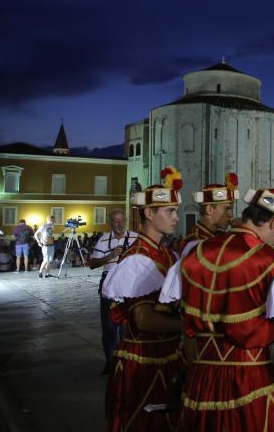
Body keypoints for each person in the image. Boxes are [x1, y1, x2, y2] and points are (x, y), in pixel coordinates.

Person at [179, 186, 274, 431]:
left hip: (202, 378)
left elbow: (186, 322)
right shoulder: (266, 258)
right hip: (248, 377)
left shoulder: (197, 250)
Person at [101, 166, 185, 432]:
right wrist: (190, 324)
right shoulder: (138, 258)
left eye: (176, 211)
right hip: (144, 361)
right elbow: (144, 319)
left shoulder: (167, 255)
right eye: (169, 211)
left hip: (169, 355)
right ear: (149, 213)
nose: (176, 218)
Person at [158, 173, 240, 306]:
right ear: (209, 209)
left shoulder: (215, 236)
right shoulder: (197, 243)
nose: (231, 215)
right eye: (227, 209)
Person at [88, 208, 138, 374]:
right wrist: (111, 255)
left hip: (129, 284)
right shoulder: (103, 239)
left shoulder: (135, 238)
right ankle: (110, 361)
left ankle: (125, 361)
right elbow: (93, 264)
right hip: (109, 283)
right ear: (110, 223)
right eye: (116, 221)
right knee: (108, 326)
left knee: (126, 325)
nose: (120, 224)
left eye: (122, 220)